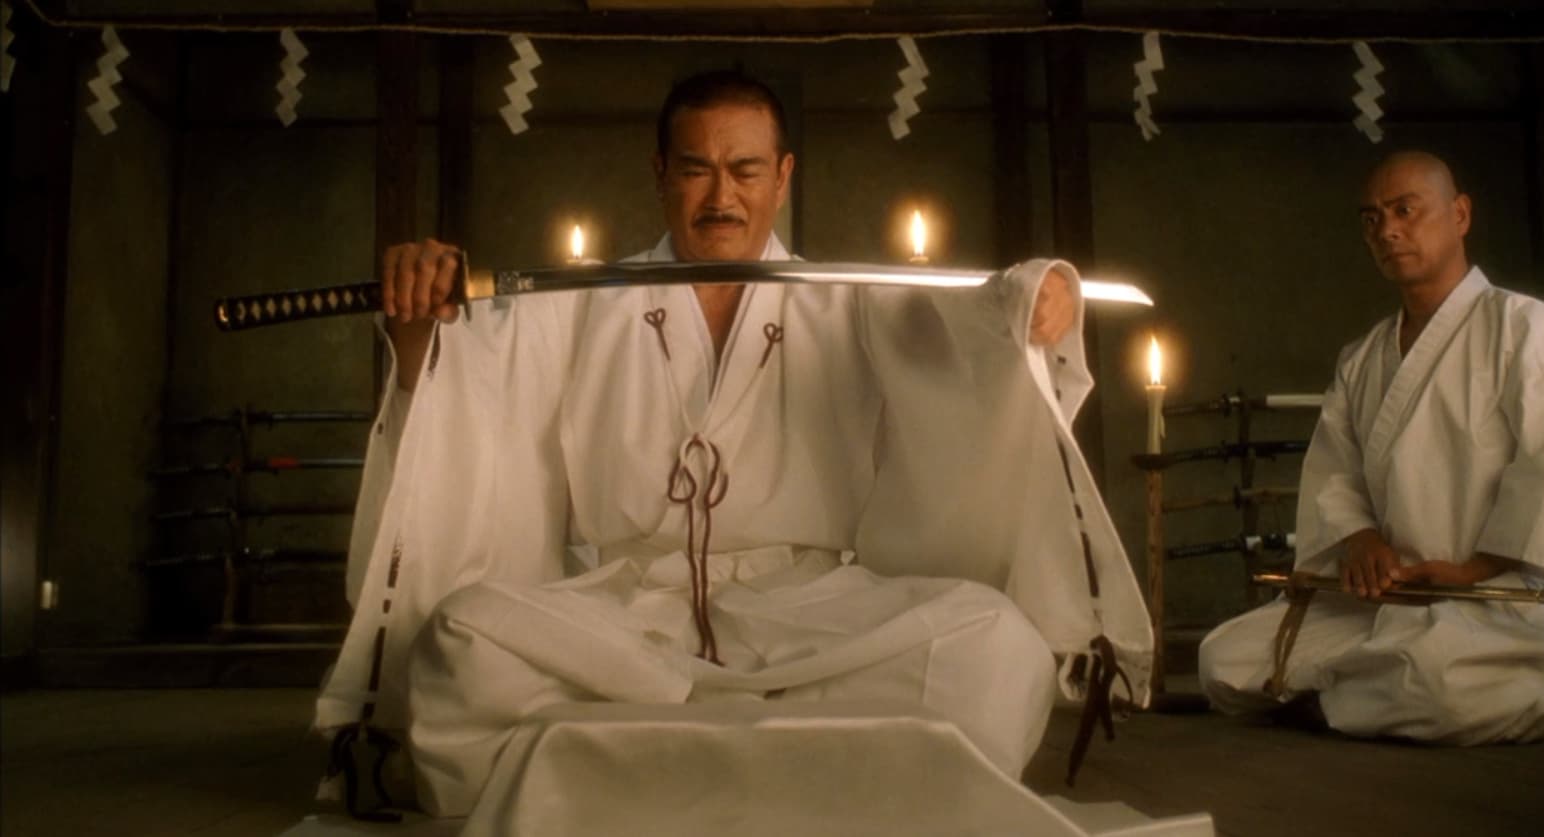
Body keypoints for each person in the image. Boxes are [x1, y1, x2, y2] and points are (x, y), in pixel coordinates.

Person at [314, 70, 1153, 822]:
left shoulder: (843, 299)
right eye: (697, 168)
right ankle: (803, 761)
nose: (722, 195)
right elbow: (470, 388)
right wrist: (422, 322)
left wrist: (1027, 300)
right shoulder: (581, 301)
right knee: (461, 642)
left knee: (997, 645)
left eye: (746, 169)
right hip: (627, 615)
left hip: (807, 608)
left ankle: (635, 763)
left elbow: (955, 332)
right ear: (660, 174)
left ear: (783, 177)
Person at [1199, 151, 1544, 743]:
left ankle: (1354, 694)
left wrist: (1475, 569)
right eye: (1372, 219)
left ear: (1459, 214)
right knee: (1223, 659)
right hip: (1389, 599)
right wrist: (1361, 540)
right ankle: (1363, 693)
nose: (1387, 230)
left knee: (1437, 682)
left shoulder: (1531, 331)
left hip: (1500, 599)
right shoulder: (1362, 359)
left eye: (1405, 210)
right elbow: (1336, 473)